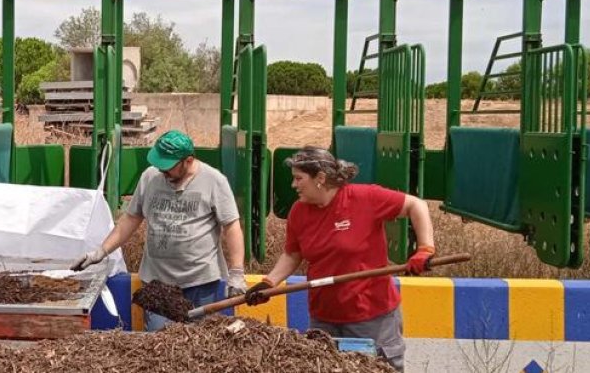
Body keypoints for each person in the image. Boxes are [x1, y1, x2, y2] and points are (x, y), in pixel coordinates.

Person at [244, 148, 435, 372]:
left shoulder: (365, 198)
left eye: (298, 178)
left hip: (371, 317)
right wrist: (268, 283)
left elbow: (416, 205)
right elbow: (293, 253)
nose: (294, 185)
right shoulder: (298, 212)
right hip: (323, 318)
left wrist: (425, 249)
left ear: (320, 179)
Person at [70, 129, 247, 331]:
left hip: (201, 282)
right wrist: (100, 252)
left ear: (188, 161)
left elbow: (231, 227)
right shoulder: (150, 178)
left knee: (201, 346)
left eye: (168, 167)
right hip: (157, 284)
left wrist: (237, 273)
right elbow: (131, 218)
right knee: (159, 345)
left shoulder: (214, 181)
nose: (162, 171)